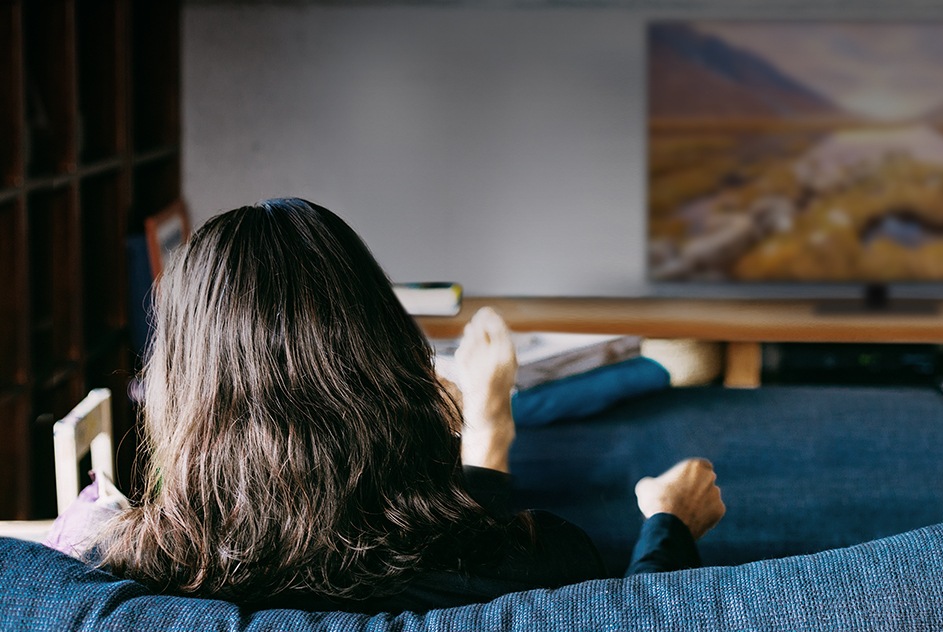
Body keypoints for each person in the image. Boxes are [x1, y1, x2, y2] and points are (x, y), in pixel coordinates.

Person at [83, 198, 724, 612]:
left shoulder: (124, 583)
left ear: (181, 382)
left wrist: (489, 436)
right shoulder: (541, 561)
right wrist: (669, 527)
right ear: (385, 347)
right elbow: (640, 615)